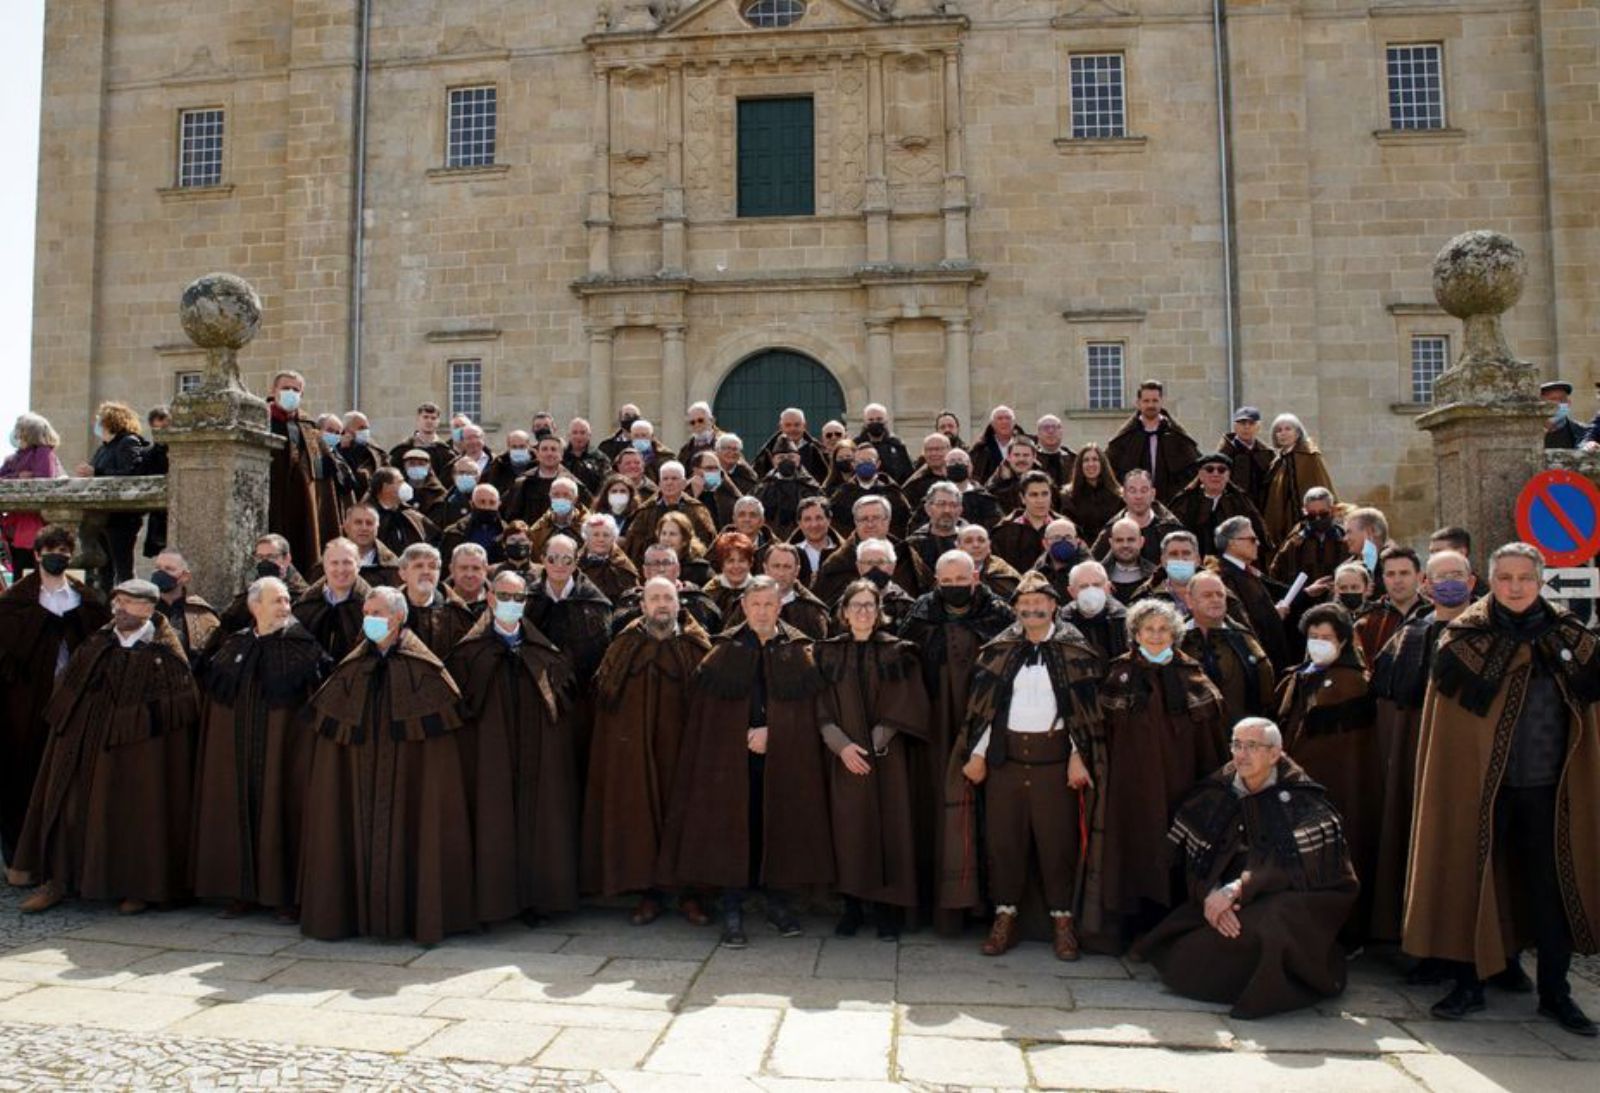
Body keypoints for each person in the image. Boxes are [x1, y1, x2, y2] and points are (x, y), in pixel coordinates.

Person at [1405, 543, 1600, 1036]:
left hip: (1551, 789)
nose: (1515, 587)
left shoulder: (1571, 638)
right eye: (1506, 578)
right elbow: (1450, 732)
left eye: (1525, 578)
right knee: (1472, 882)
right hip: (1477, 789)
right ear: (1491, 581)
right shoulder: (1462, 639)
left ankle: (1555, 993)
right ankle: (1469, 983)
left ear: (1540, 582)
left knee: (1551, 890)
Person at [1137, 718, 1359, 1019]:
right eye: (1236, 745)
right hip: (1229, 893)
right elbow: (1197, 859)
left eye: (1252, 746)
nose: (1241, 754)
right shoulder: (1217, 791)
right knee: (1191, 953)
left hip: (1292, 894)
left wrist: (1239, 889)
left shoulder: (1304, 801)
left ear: (1275, 754)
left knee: (1267, 926)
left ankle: (1274, 985)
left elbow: (1301, 867)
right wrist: (1212, 893)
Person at [655, 578, 834, 948]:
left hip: (785, 760)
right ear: (745, 606)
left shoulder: (798, 648)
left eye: (770, 604)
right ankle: (733, 905)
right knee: (734, 826)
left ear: (779, 606)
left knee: (778, 824)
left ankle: (776, 900)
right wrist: (738, 736)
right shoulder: (724, 649)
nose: (763, 612)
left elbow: (808, 711)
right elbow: (708, 714)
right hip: (731, 762)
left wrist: (774, 733)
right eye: (757, 605)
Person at [298, 585, 475, 944]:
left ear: (398, 617)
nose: (369, 619)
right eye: (367, 613)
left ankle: (412, 918)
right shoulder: (353, 665)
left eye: (377, 613)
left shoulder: (425, 670)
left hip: (407, 785)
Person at [16, 578, 198, 915]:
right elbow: (70, 688)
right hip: (82, 747)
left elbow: (178, 708)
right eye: (117, 601)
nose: (119, 608)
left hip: (135, 757)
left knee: (134, 815)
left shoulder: (166, 655)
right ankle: (58, 880)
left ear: (148, 607)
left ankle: (137, 886)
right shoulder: (98, 642)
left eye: (128, 602)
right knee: (67, 808)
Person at [954, 572, 1099, 960]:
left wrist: (1077, 756)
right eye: (1024, 604)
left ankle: (1063, 923)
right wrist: (979, 755)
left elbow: (1083, 714)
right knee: (1005, 843)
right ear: (1015, 609)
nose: (1032, 609)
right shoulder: (999, 650)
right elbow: (985, 709)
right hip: (1007, 763)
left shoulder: (1076, 650)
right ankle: (1005, 919)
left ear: (1054, 605)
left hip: (1056, 764)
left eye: (1040, 603)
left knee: (1058, 844)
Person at [1087, 598, 1226, 951]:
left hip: (1181, 782)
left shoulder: (1191, 673)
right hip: (1129, 784)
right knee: (1132, 847)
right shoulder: (1119, 673)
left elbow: (1210, 735)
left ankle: (1172, 932)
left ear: (1175, 633)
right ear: (1135, 633)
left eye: (1164, 629)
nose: (1156, 635)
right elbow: (1102, 729)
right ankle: (1131, 929)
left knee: (1176, 847)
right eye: (1148, 629)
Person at [190, 576, 331, 921]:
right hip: (236, 756)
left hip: (283, 756)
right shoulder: (233, 646)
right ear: (255, 607)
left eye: (286, 601)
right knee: (235, 814)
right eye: (276, 601)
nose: (285, 607)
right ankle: (240, 893)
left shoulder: (304, 649)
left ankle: (284, 897)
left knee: (282, 815)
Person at [447, 570, 580, 927]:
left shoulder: (542, 652)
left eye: (518, 598)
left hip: (535, 758)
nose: (510, 603)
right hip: (491, 759)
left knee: (538, 822)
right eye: (503, 596)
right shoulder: (467, 654)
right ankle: (494, 904)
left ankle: (537, 901)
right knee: (494, 823)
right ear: (490, 599)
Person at [583, 577, 714, 925]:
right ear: (642, 605)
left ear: (678, 604)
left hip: (683, 751)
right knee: (640, 818)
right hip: (636, 752)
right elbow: (607, 699)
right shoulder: (623, 645)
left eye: (667, 599)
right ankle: (649, 894)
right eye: (654, 598)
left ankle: (690, 894)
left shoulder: (696, 645)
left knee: (685, 817)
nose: (661, 605)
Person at [901, 550, 1016, 926]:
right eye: (946, 582)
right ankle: (937, 906)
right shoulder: (919, 614)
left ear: (976, 578)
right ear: (936, 581)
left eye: (961, 580)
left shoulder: (999, 615)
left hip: (986, 726)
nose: (954, 587)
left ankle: (989, 907)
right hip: (933, 731)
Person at [1368, 549, 1476, 950]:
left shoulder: (1495, 633)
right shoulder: (1412, 636)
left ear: (1471, 581)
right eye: (1440, 576)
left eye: (1456, 575)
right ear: (1428, 585)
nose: (1447, 583)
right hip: (1425, 768)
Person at [815, 580, 930, 939]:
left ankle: (887, 912)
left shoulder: (899, 652)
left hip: (886, 758)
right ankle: (852, 908)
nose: (863, 611)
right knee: (849, 829)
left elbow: (906, 702)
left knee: (889, 828)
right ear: (844, 613)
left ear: (879, 612)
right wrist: (842, 746)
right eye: (856, 605)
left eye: (870, 605)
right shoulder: (825, 653)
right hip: (842, 756)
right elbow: (817, 705)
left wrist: (874, 744)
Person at [0, 524, 110, 876]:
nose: (57, 556)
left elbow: (97, 643)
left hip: (74, 702)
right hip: (26, 704)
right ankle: (20, 857)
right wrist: (43, 625)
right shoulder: (17, 600)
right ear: (36, 554)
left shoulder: (85, 599)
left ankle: (64, 860)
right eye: (51, 550)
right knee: (22, 774)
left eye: (63, 551)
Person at [1276, 602, 1378, 944]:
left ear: (1344, 641)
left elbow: (1344, 750)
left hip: (1337, 790)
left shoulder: (1351, 683)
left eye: (1327, 637)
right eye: (1313, 636)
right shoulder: (1302, 675)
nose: (1318, 642)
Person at [1181, 571, 1277, 728]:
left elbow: (1265, 688)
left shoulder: (1244, 638)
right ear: (1190, 601)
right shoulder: (1174, 641)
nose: (1215, 600)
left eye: (1220, 594)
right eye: (1207, 595)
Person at [78, 401, 149, 588]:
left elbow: (131, 473)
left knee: (123, 567)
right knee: (105, 569)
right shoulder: (103, 448)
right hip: (102, 516)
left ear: (110, 421)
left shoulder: (128, 442)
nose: (96, 424)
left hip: (122, 516)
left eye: (99, 420)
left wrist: (96, 472)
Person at [265, 371, 332, 567]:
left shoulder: (308, 428)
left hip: (301, 507)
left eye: (296, 390)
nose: (291, 393)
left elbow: (322, 472)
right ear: (273, 390)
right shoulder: (260, 421)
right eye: (285, 388)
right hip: (270, 501)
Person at [1213, 514, 1294, 671]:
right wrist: (1274, 615)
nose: (1257, 543)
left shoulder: (1245, 571)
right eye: (1251, 539)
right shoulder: (1225, 577)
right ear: (1232, 543)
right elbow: (1242, 620)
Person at [1104, 380, 1202, 502]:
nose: (1151, 405)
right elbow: (1109, 471)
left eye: (1155, 401)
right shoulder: (1124, 438)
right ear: (1138, 403)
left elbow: (1195, 469)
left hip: (1170, 505)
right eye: (1146, 401)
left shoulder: (1177, 436)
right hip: (1133, 505)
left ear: (1161, 402)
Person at [813, 496, 919, 605]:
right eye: (864, 519)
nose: (870, 524)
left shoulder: (908, 557)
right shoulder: (835, 565)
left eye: (876, 518)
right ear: (855, 522)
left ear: (888, 520)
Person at [1168, 451, 1270, 560]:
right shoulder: (1184, 502)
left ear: (1228, 476)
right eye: (1209, 469)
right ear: (1200, 475)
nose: (1215, 474)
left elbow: (1259, 538)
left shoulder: (1241, 503)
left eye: (1221, 470)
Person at [609, 543, 724, 637]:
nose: (661, 569)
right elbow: (617, 632)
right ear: (645, 571)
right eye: (654, 563)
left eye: (666, 563)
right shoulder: (631, 600)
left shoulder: (698, 600)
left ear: (677, 569)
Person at [722, 541, 832, 637]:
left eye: (787, 567)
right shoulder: (745, 606)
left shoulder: (812, 611)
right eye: (776, 566)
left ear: (797, 571)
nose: (781, 573)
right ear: (765, 568)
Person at [1, 412, 66, 574]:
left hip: (32, 523)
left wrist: (15, 477)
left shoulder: (43, 452)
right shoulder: (14, 457)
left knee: (28, 569)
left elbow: (43, 479)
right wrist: (17, 476)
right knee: (19, 570)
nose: (16, 434)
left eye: (19, 430)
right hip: (15, 523)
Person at [1262, 413, 1336, 547]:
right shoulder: (1277, 462)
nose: (1283, 433)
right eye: (1278, 430)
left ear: (1297, 433)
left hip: (1309, 520)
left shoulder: (1310, 456)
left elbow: (1323, 485)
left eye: (1288, 429)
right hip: (1282, 522)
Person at [292, 537, 371, 660]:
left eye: (347, 562)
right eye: (334, 563)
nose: (341, 569)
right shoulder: (304, 606)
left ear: (358, 565)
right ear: (324, 567)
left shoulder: (373, 607)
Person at [622, 460, 717, 562]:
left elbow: (708, 544)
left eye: (674, 478)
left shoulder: (697, 510)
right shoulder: (645, 511)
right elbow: (633, 548)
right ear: (659, 483)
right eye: (665, 479)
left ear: (684, 483)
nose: (669, 483)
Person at [1353, 546, 1430, 665]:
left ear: (1419, 576)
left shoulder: (1433, 614)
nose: (1397, 580)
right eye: (1390, 574)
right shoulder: (1367, 621)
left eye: (1404, 573)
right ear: (1383, 578)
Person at [396, 543, 474, 659]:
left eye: (432, 566)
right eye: (418, 566)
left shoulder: (458, 615)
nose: (426, 572)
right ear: (402, 573)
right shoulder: (385, 610)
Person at [1090, 470, 1183, 564]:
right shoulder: (1111, 531)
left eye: (1144, 490)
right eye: (1132, 491)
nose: (1138, 496)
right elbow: (1092, 566)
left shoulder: (1170, 529)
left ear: (1153, 494)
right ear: (1124, 495)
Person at [1267, 487, 1346, 588]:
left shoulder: (1345, 539)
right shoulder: (1294, 542)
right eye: (1312, 515)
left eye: (1323, 514)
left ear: (1332, 510)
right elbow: (1276, 573)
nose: (1318, 519)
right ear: (1305, 512)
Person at [828, 444, 912, 538]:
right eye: (860, 461)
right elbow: (835, 526)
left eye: (869, 461)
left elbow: (903, 524)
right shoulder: (843, 494)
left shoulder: (892, 493)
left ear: (878, 464)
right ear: (853, 464)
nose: (864, 464)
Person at [1058, 560, 1128, 669]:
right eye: (1084, 586)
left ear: (1108, 587)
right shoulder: (1061, 624)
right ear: (1071, 592)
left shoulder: (1124, 620)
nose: (1091, 591)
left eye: (1097, 585)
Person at [753, 437, 824, 541]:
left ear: (798, 460)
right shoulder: (762, 488)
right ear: (773, 461)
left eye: (791, 457)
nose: (786, 461)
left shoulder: (811, 487)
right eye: (781, 458)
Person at [991, 471, 1061, 574]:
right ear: (1023, 498)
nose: (1040, 500)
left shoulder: (1065, 529)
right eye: (1034, 495)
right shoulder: (1004, 532)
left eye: (1045, 494)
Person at [1059, 442, 1122, 547]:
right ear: (1080, 465)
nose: (1090, 464)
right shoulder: (1068, 496)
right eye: (1086, 460)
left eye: (1095, 459)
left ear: (1102, 463)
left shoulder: (1118, 495)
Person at [904, 481, 966, 586]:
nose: (947, 510)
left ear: (960, 510)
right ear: (928, 508)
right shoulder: (914, 545)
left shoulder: (971, 542)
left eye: (953, 505)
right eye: (941, 504)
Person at [369, 466, 436, 555]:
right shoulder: (368, 516)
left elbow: (434, 537)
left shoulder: (411, 514)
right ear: (386, 487)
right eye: (400, 482)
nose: (405, 485)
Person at [1218, 406, 1273, 514]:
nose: (1246, 427)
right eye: (1242, 423)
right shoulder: (1225, 453)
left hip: (1260, 511)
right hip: (1230, 511)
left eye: (1251, 423)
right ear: (1235, 426)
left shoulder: (1267, 454)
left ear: (1258, 427)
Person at [577, 512, 640, 603]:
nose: (601, 539)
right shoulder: (574, 565)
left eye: (606, 535)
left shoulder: (624, 568)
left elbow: (632, 603)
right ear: (586, 538)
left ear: (613, 538)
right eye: (596, 535)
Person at [752, 407, 829, 482]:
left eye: (797, 425)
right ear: (780, 427)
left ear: (804, 426)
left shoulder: (816, 451)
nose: (792, 429)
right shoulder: (767, 452)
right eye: (788, 425)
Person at [439, 484, 506, 566]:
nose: (486, 507)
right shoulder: (454, 533)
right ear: (472, 503)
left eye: (492, 503)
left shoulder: (507, 533)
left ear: (499, 504)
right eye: (482, 502)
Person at [340, 502, 401, 588]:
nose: (364, 528)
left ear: (377, 528)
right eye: (358, 522)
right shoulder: (328, 564)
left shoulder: (393, 568)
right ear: (346, 527)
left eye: (369, 523)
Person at [387, 402, 455, 478]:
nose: (429, 421)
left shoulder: (445, 452)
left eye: (433, 418)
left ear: (438, 421)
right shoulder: (402, 450)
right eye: (425, 417)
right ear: (418, 419)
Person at [943, 447, 1003, 529]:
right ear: (944, 469)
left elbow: (995, 527)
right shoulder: (934, 498)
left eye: (961, 460)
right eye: (952, 461)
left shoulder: (985, 499)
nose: (956, 464)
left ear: (970, 467)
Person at [1100, 517, 1157, 604]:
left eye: (1131, 540)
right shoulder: (1098, 577)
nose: (1125, 545)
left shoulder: (1156, 577)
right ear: (1111, 543)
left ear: (1141, 542)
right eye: (1119, 540)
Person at [982, 433, 1041, 516]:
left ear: (1034, 457)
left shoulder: (1044, 481)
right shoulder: (994, 486)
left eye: (1026, 455)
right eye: (1016, 455)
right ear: (1009, 457)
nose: (1021, 459)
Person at [788, 495, 840, 588]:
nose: (814, 524)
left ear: (829, 520)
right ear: (799, 523)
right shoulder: (789, 554)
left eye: (819, 518)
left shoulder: (844, 553)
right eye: (807, 519)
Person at [856, 403, 915, 484]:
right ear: (865, 422)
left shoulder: (897, 444)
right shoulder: (856, 445)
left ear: (886, 421)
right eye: (871, 420)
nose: (875, 422)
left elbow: (908, 473)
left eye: (879, 419)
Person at [1027, 518, 1084, 600]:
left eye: (1068, 537)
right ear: (1045, 543)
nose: (1063, 542)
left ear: (1077, 542)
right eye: (1057, 538)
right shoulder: (1036, 574)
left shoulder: (1087, 572)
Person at [704, 531, 758, 618]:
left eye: (742, 560)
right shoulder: (709, 593)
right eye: (730, 561)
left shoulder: (759, 592)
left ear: (750, 563)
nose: (736, 566)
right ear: (722, 564)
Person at [968, 405, 1025, 482]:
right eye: (1000, 418)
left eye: (1008, 418)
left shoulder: (1026, 446)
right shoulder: (980, 448)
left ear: (1014, 423)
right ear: (992, 423)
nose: (1004, 421)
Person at [337, 411, 387, 496]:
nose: (365, 431)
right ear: (347, 430)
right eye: (361, 428)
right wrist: (345, 450)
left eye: (367, 428)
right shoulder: (338, 451)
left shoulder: (376, 450)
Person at [900, 432, 953, 510]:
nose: (934, 453)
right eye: (929, 450)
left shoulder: (959, 477)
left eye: (938, 449)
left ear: (949, 450)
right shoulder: (914, 485)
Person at [445, 542, 492, 618]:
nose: (469, 574)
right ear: (452, 570)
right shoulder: (434, 603)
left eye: (476, 568)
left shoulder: (501, 603)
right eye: (463, 568)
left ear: (485, 570)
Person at [485, 430, 533, 496]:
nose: (518, 450)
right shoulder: (498, 465)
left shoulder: (538, 464)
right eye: (514, 447)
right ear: (508, 447)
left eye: (522, 447)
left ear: (529, 446)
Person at [1033, 414, 1076, 487]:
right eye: (1046, 428)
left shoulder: (1073, 459)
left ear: (1061, 432)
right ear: (1038, 433)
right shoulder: (1031, 459)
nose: (1051, 431)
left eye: (1055, 427)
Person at [1541, 381, 1585, 449]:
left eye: (1562, 400)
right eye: (1552, 400)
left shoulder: (1583, 432)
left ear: (1569, 403)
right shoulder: (1529, 434)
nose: (1557, 404)